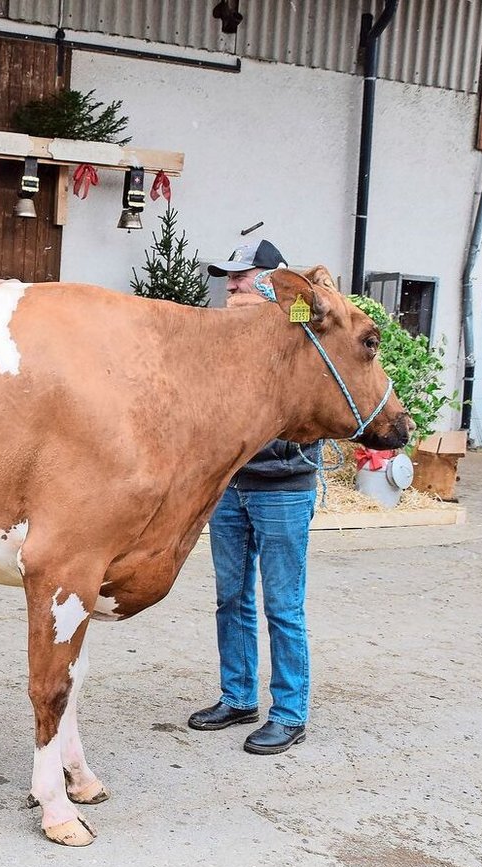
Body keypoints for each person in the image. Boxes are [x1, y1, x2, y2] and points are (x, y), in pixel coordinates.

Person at [188, 239, 319, 755]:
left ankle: (289, 713)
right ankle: (238, 697)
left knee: (282, 605)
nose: (232, 285)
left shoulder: (304, 338)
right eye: (229, 277)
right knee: (231, 598)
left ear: (274, 278)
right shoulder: (227, 342)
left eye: (242, 276)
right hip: (232, 485)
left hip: (282, 487)